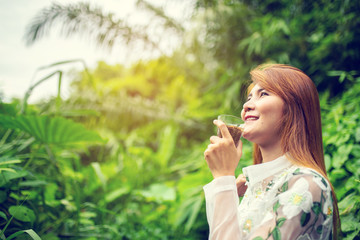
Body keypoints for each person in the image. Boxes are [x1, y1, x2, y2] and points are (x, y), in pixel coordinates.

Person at [203, 64, 340, 240]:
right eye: (249, 97)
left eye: (264, 94)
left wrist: (223, 179)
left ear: (293, 109)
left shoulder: (306, 183)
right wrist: (226, 191)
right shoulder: (253, 188)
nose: (246, 105)